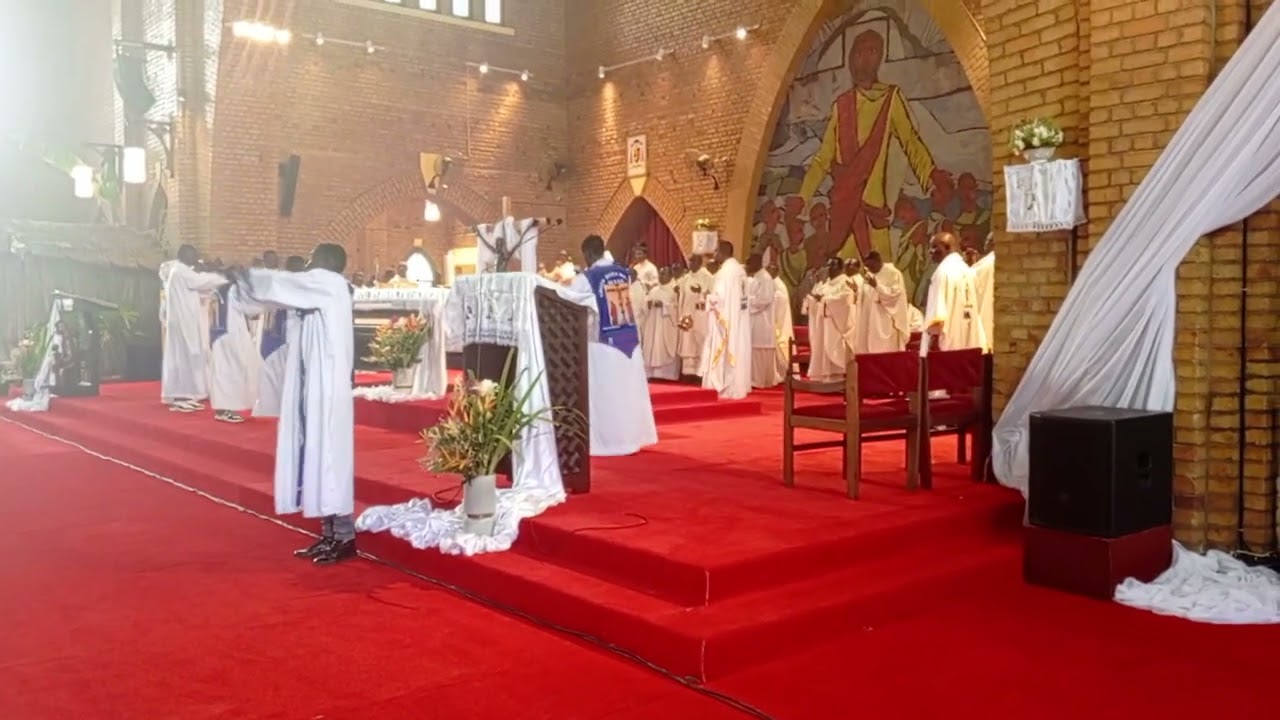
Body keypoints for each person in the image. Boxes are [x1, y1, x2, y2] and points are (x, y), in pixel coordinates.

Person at [227, 243, 356, 565]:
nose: (309, 262)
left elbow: (278, 285)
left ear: (328, 262)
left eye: (315, 257)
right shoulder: (314, 289)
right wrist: (246, 285)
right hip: (310, 384)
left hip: (325, 389)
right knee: (314, 454)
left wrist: (249, 276)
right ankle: (328, 533)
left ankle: (344, 536)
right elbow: (273, 296)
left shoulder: (329, 283)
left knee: (327, 457)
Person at [569, 235, 658, 455]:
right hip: (629, 340)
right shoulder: (623, 272)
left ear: (588, 254)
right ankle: (631, 439)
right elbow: (635, 276)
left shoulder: (586, 278)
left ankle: (608, 442)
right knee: (627, 393)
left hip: (603, 345)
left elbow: (572, 305)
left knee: (607, 396)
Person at [159, 244, 228, 412]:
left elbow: (199, 290)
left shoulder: (179, 270)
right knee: (183, 357)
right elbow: (200, 281)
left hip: (185, 320)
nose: (195, 258)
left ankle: (187, 393)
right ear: (183, 255)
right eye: (193, 255)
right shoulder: (181, 272)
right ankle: (180, 395)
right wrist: (224, 277)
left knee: (188, 356)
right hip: (183, 322)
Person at [700, 241, 752, 399]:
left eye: (716, 251)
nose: (714, 254)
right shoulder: (739, 270)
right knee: (738, 348)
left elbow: (719, 299)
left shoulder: (725, 272)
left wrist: (707, 298)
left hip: (726, 320)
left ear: (723, 252)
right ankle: (737, 385)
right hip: (739, 319)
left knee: (724, 349)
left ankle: (722, 385)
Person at [924, 232, 984, 351]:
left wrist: (933, 344)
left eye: (934, 247)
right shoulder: (967, 270)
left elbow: (938, 313)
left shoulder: (942, 273)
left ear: (947, 247)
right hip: (969, 337)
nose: (930, 251)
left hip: (947, 343)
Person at [207, 280, 257, 424]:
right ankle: (223, 409)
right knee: (229, 372)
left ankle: (223, 408)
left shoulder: (219, 288)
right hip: (231, 334)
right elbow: (251, 309)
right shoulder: (235, 290)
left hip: (220, 333)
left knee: (222, 371)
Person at [802, 258, 853, 382]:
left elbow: (845, 300)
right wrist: (812, 300)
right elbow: (817, 298)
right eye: (829, 266)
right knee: (822, 347)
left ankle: (837, 377)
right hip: (823, 324)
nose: (830, 269)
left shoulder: (846, 282)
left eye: (833, 266)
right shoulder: (826, 284)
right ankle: (824, 375)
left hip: (835, 324)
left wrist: (825, 300)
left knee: (833, 348)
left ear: (841, 268)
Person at [854, 251, 911, 353]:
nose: (869, 269)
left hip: (885, 320)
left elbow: (895, 294)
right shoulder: (870, 275)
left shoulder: (893, 273)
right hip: (870, 319)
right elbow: (866, 295)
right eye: (867, 266)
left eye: (871, 265)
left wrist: (877, 286)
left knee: (885, 351)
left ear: (878, 261)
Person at [746, 254, 781, 388]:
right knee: (754, 352)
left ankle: (759, 381)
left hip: (762, 321)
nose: (748, 266)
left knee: (759, 352)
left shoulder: (765, 278)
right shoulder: (756, 277)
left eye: (750, 263)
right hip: (754, 320)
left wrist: (747, 302)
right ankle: (755, 379)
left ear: (757, 262)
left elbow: (764, 300)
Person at [676, 254, 714, 377]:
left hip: (700, 315)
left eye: (693, 261)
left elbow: (713, 295)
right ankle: (688, 372)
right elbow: (679, 291)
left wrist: (701, 292)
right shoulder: (686, 278)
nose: (690, 263)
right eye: (689, 260)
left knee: (700, 340)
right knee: (687, 342)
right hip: (687, 313)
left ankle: (700, 372)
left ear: (700, 262)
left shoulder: (707, 277)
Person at [640, 267, 681, 380]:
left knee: (662, 347)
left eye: (664, 274)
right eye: (660, 274)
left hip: (665, 326)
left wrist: (664, 306)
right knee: (652, 346)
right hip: (652, 325)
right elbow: (644, 306)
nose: (661, 276)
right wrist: (648, 304)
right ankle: (652, 373)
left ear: (670, 276)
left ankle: (665, 374)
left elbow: (677, 309)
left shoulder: (674, 291)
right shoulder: (653, 290)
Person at [768, 263, 795, 379]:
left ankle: (784, 372)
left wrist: (771, 298)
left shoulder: (779, 285)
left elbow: (781, 299)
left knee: (781, 343)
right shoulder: (771, 283)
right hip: (774, 320)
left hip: (781, 321)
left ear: (777, 272)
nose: (769, 273)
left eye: (772, 271)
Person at [971, 235, 995, 353]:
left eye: (987, 240)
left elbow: (968, 283)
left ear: (993, 242)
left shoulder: (983, 265)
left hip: (984, 324)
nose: (985, 244)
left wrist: (969, 265)